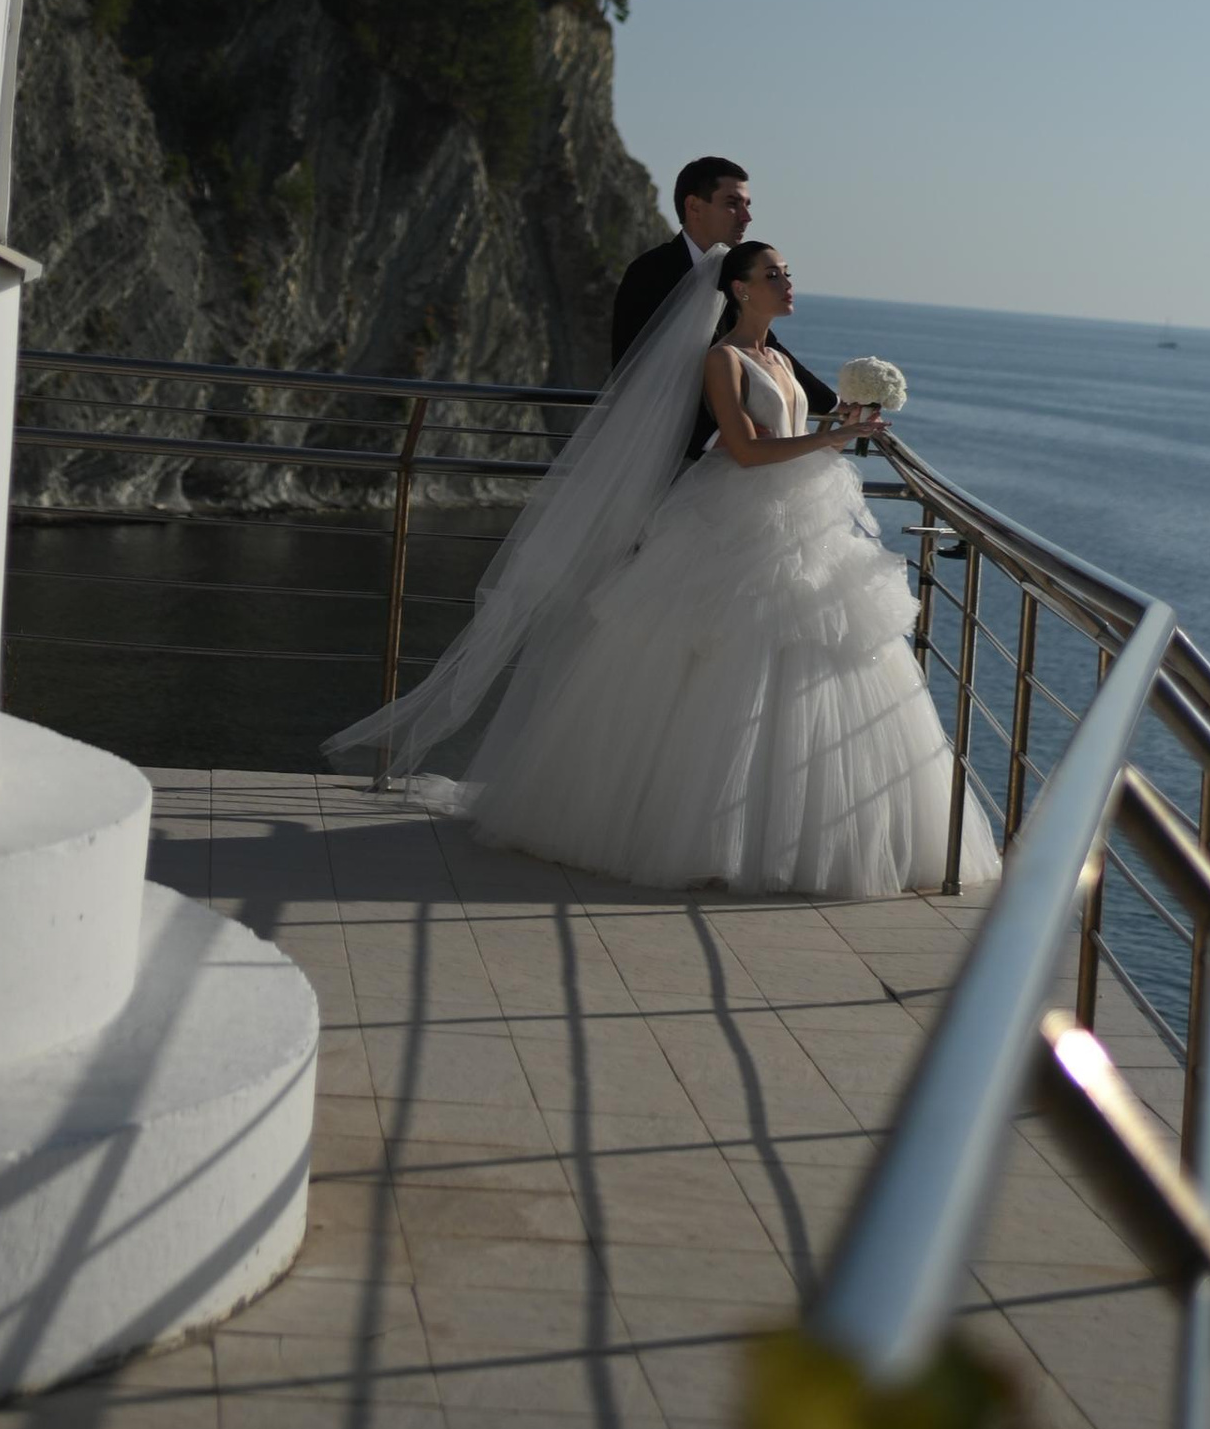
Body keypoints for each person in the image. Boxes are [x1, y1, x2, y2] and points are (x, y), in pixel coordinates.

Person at [327, 238, 996, 903]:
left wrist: (841, 422)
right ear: (740, 289)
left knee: (814, 659)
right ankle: (704, 835)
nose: (787, 282)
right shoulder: (723, 359)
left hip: (801, 525)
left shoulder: (779, 360)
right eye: (773, 274)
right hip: (735, 524)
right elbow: (744, 451)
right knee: (722, 663)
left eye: (787, 272)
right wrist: (836, 437)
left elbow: (792, 434)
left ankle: (809, 832)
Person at [611, 155, 836, 457]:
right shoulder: (649, 272)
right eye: (733, 204)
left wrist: (834, 404)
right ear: (694, 207)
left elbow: (765, 346)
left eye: (747, 205)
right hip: (663, 452)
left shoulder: (734, 271)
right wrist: (710, 437)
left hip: (730, 456)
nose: (746, 217)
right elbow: (631, 369)